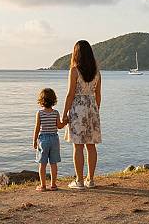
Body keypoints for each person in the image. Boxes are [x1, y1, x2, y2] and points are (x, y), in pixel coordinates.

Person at [63, 40, 102, 189]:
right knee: (91, 146)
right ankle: (90, 180)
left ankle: (79, 181)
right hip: (92, 109)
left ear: (76, 53)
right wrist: (95, 111)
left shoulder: (74, 71)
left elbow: (70, 94)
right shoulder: (97, 72)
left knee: (78, 146)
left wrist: (64, 114)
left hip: (78, 109)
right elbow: (98, 95)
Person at [33, 87, 67, 191]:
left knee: (42, 163)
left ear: (41, 101)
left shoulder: (40, 113)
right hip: (54, 139)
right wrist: (65, 122)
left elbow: (37, 128)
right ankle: (53, 185)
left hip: (43, 139)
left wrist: (34, 141)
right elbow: (59, 126)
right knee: (53, 163)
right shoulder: (55, 113)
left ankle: (43, 185)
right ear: (54, 100)